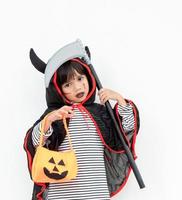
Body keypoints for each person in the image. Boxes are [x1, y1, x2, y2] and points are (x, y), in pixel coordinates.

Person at [23, 45, 140, 200]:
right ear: (58, 89)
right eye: (67, 84)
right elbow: (35, 143)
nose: (77, 86)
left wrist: (120, 100)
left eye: (80, 78)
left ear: (88, 77)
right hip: (61, 194)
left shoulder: (101, 112)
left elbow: (126, 130)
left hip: (95, 191)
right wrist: (50, 120)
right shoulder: (55, 115)